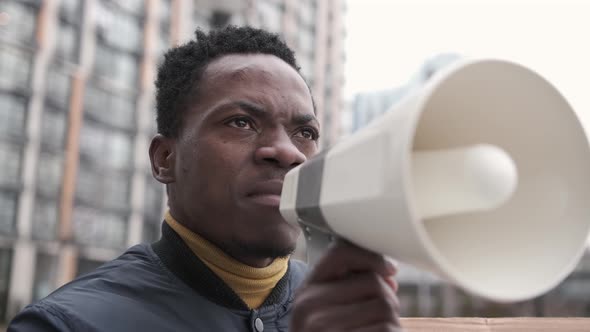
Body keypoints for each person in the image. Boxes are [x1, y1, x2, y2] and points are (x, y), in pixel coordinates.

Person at [9, 26, 401, 332]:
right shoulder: (66, 325)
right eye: (241, 122)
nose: (288, 152)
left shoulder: (347, 307)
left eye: (306, 133)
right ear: (165, 159)